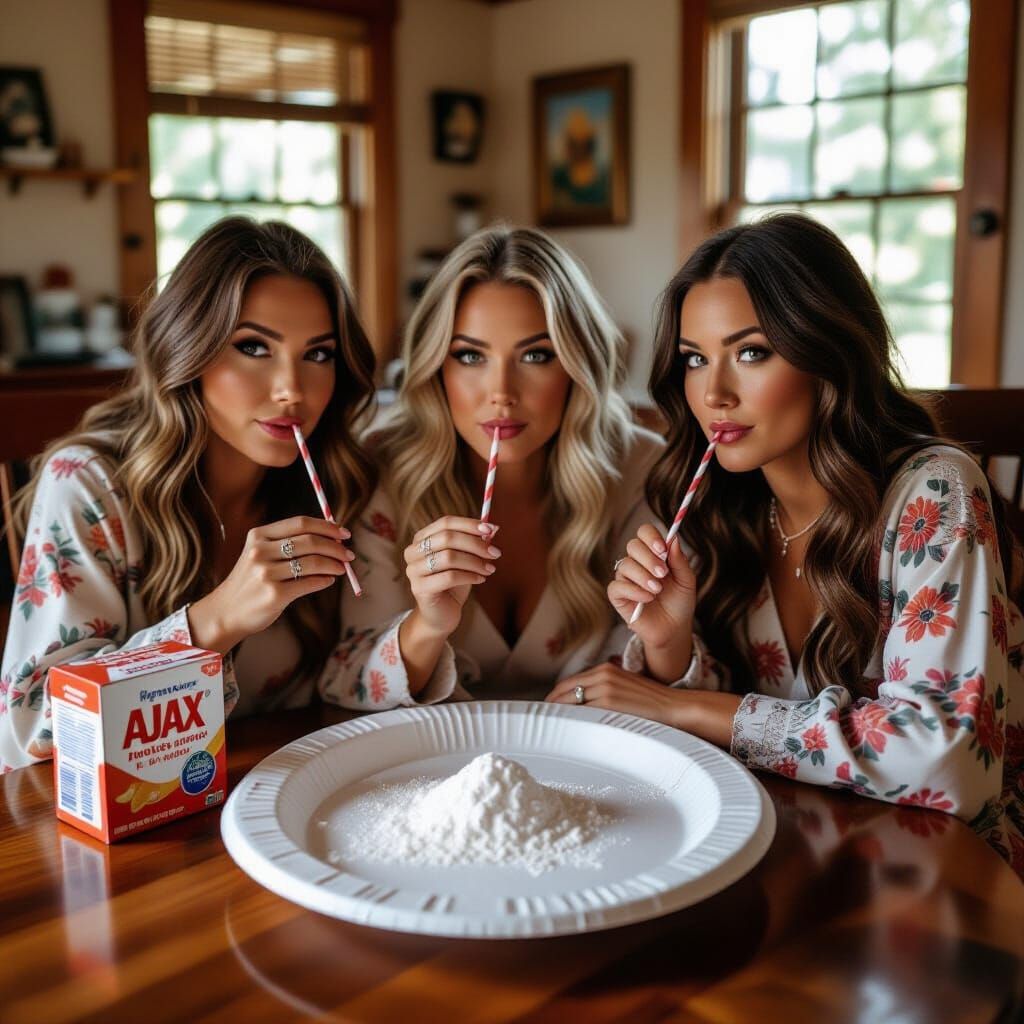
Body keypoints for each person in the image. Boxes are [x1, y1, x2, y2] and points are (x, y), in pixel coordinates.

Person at [548, 214, 1024, 873]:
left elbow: (946, 761)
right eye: (694, 359)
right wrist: (669, 646)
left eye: (751, 352)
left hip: (946, 873)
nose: (713, 394)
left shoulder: (932, 494)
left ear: (827, 351)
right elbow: (727, 716)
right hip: (790, 850)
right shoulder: (724, 507)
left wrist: (682, 704)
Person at [1, 217, 376, 770]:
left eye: (318, 354)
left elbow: (346, 685)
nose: (291, 389)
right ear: (188, 348)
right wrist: (216, 621)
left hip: (290, 791)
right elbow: (29, 733)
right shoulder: (88, 483)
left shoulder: (338, 482)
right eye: (253, 347)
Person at [320, 225, 662, 708]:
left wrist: (658, 648)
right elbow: (344, 677)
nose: (501, 391)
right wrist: (427, 626)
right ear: (437, 366)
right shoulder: (381, 469)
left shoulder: (640, 468)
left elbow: (665, 669)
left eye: (536, 355)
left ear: (576, 364)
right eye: (470, 355)